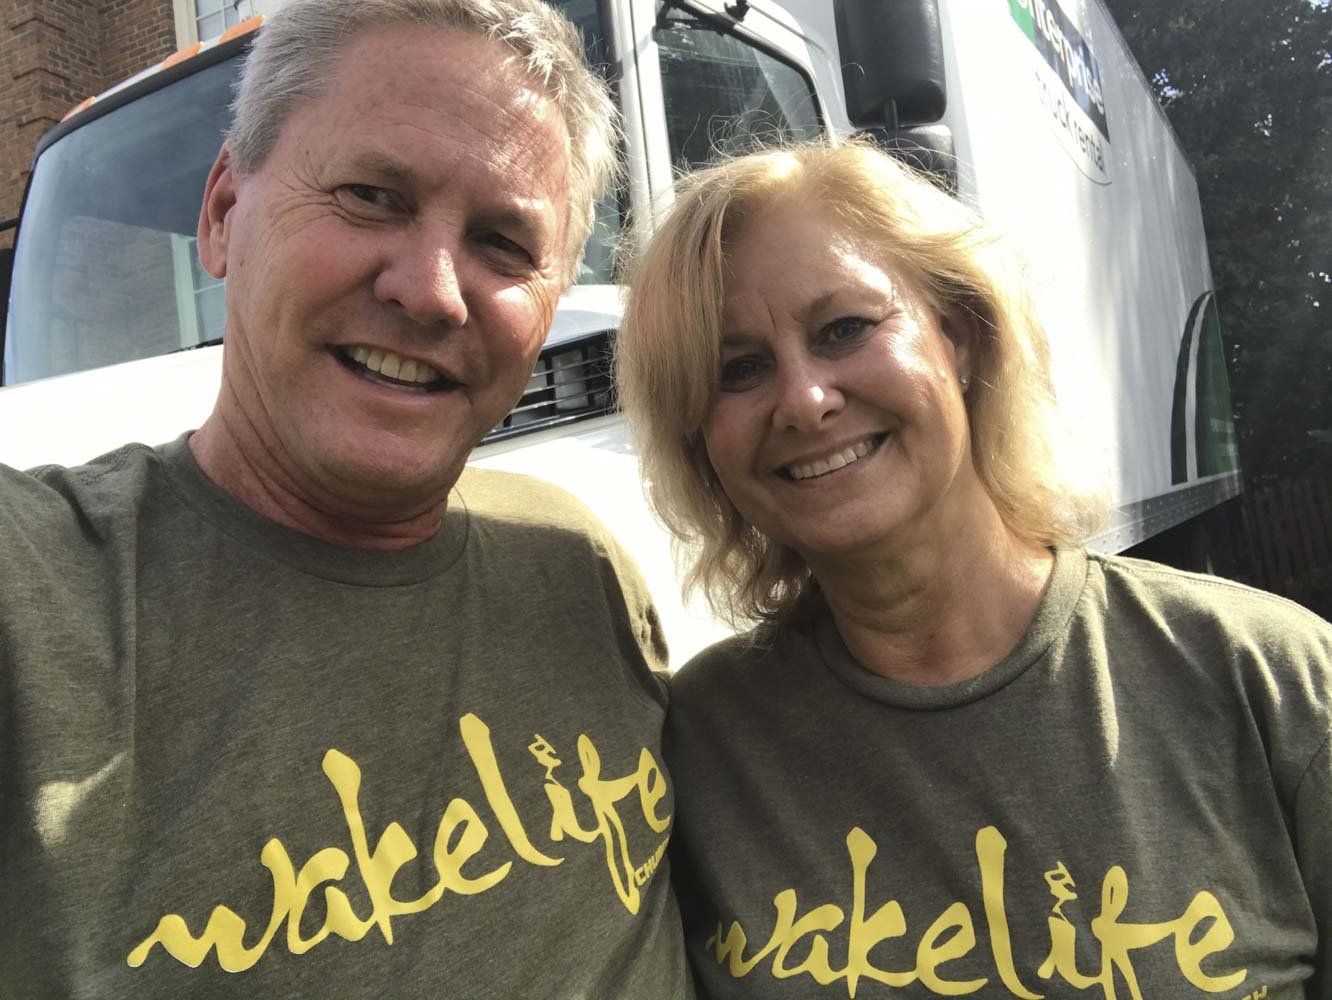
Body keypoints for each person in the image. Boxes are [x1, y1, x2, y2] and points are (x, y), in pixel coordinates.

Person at [0, 1, 690, 995]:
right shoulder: (40, 592)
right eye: (370, 196)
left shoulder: (579, 567)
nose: (432, 290)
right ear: (223, 214)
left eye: (504, 243)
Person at [616, 140, 1331, 998]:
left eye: (845, 329)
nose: (803, 400)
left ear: (960, 337)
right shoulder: (696, 747)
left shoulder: (1271, 680)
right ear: (701, 440)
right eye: (738, 369)